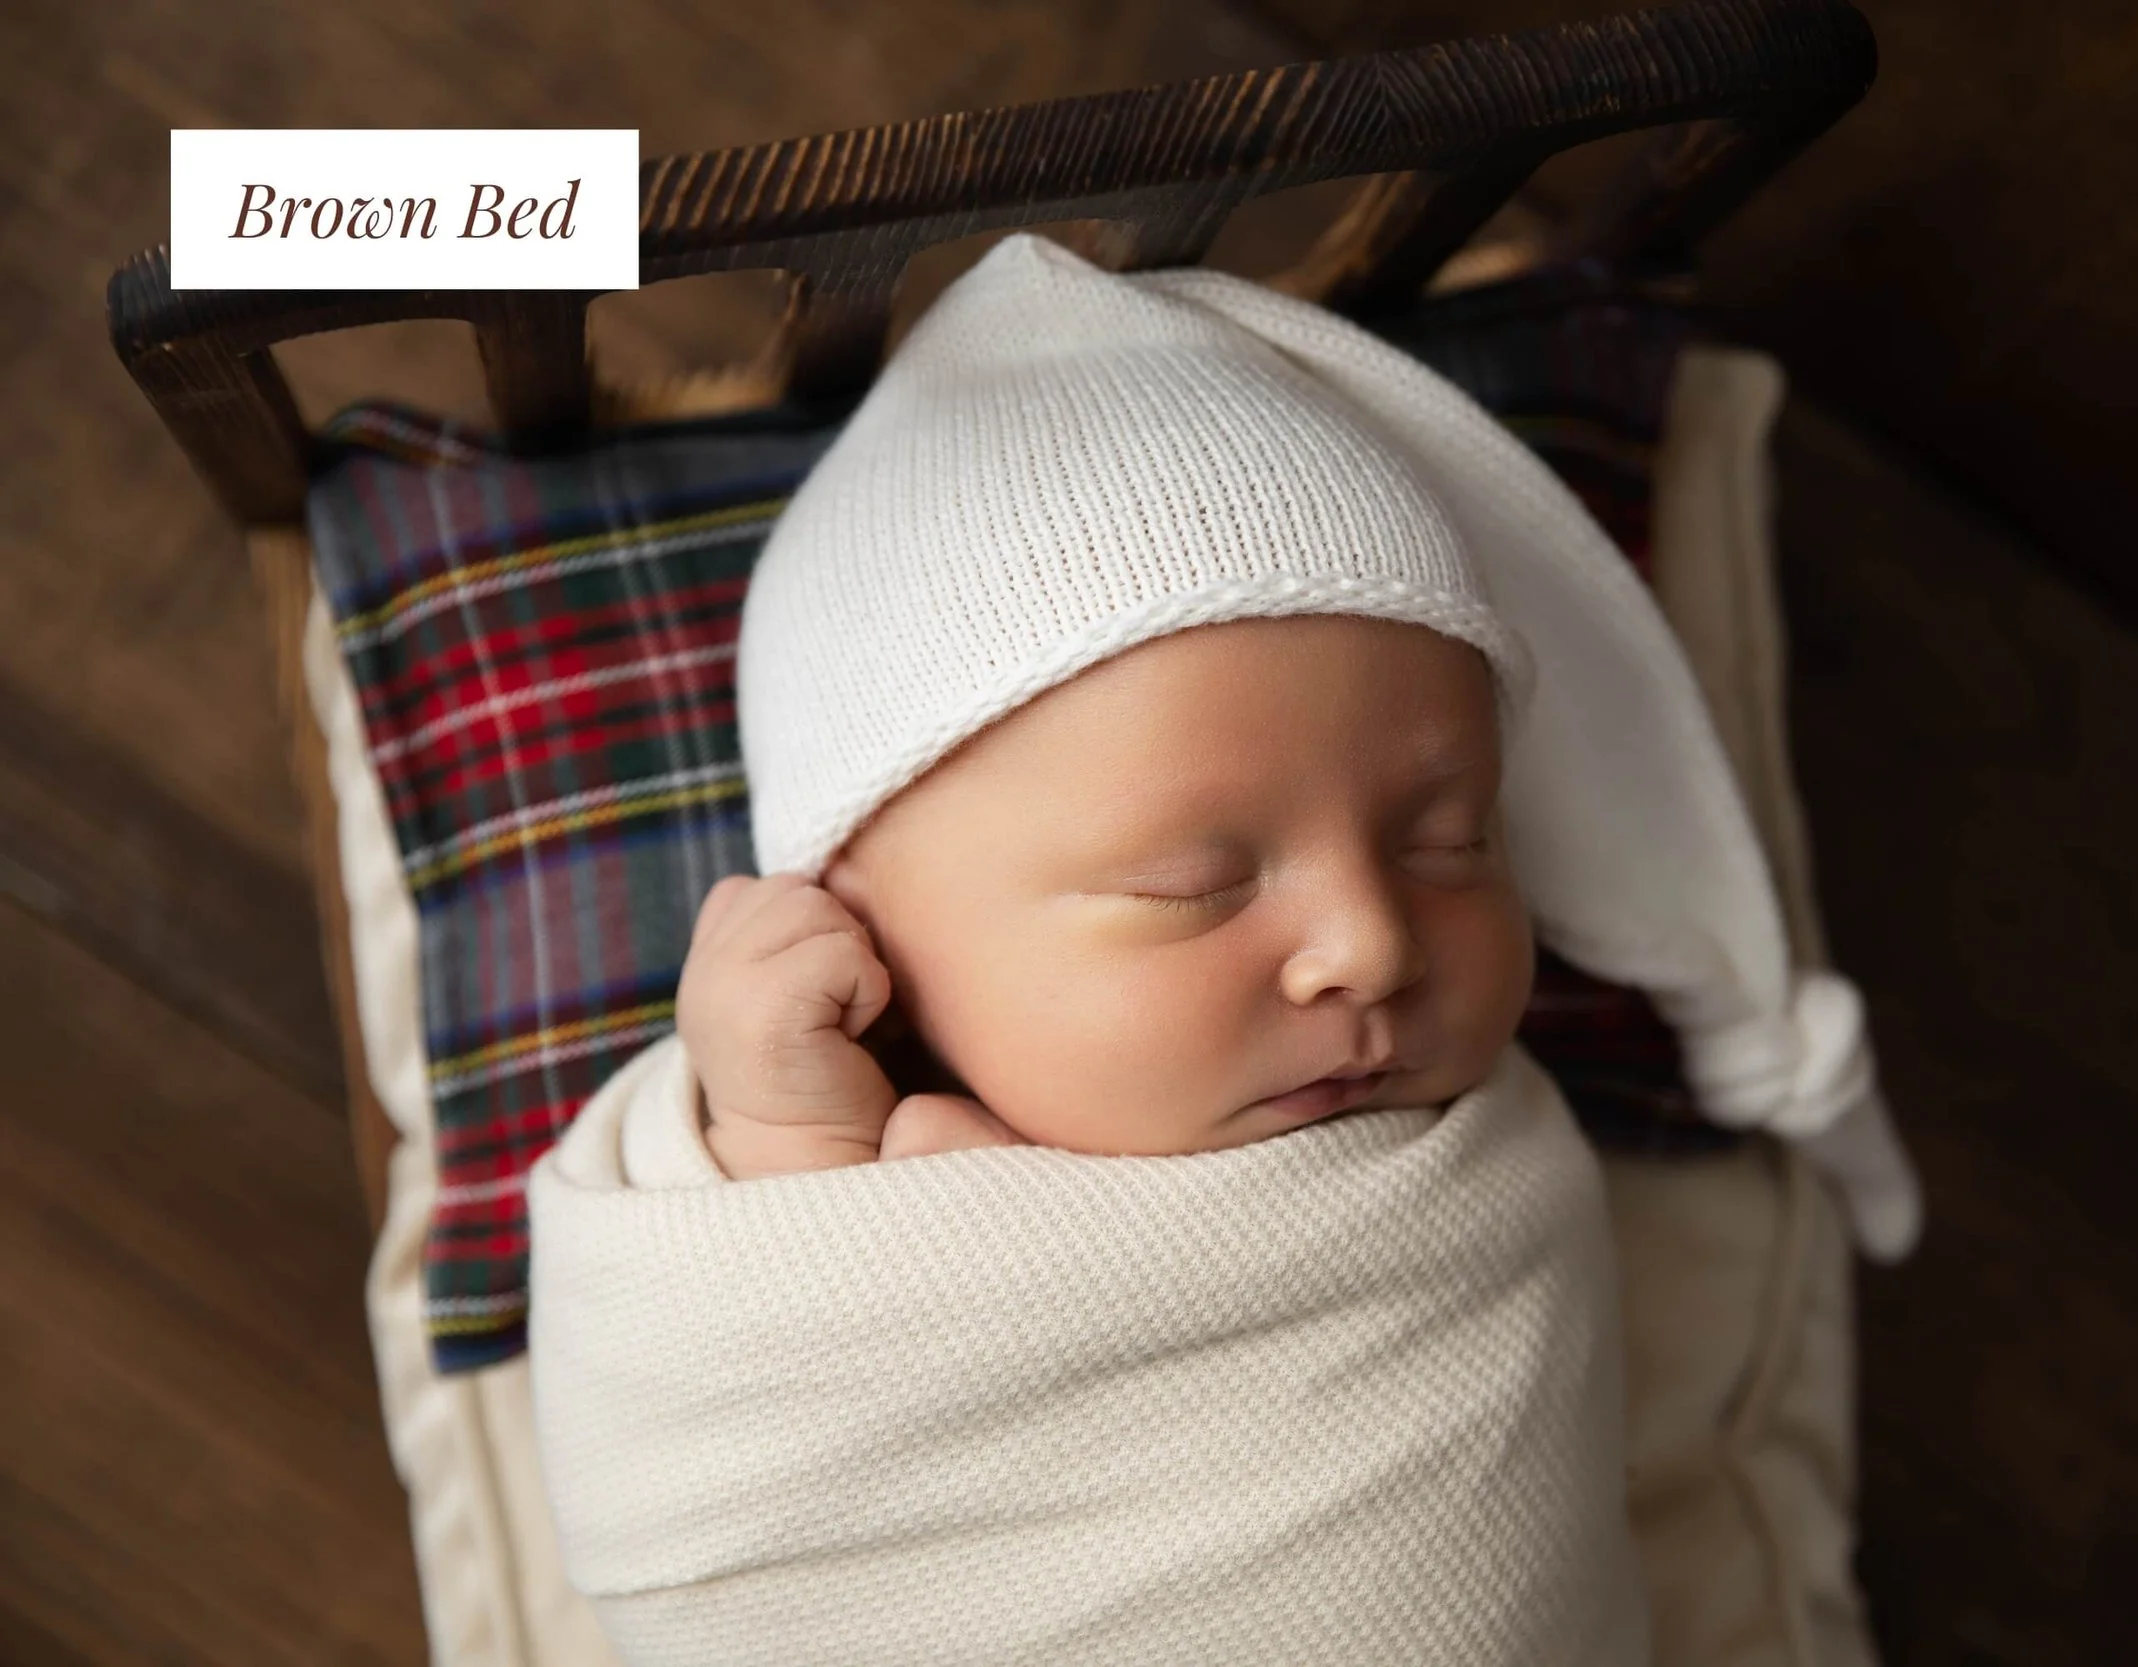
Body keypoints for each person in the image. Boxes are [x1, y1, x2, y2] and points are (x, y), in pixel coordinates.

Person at [524, 230, 1910, 1667]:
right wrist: (776, 1126)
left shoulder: (1477, 1183)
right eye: (1195, 884)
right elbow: (720, 1449)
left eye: (1452, 843)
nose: (1371, 944)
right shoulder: (800, 1173)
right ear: (857, 923)